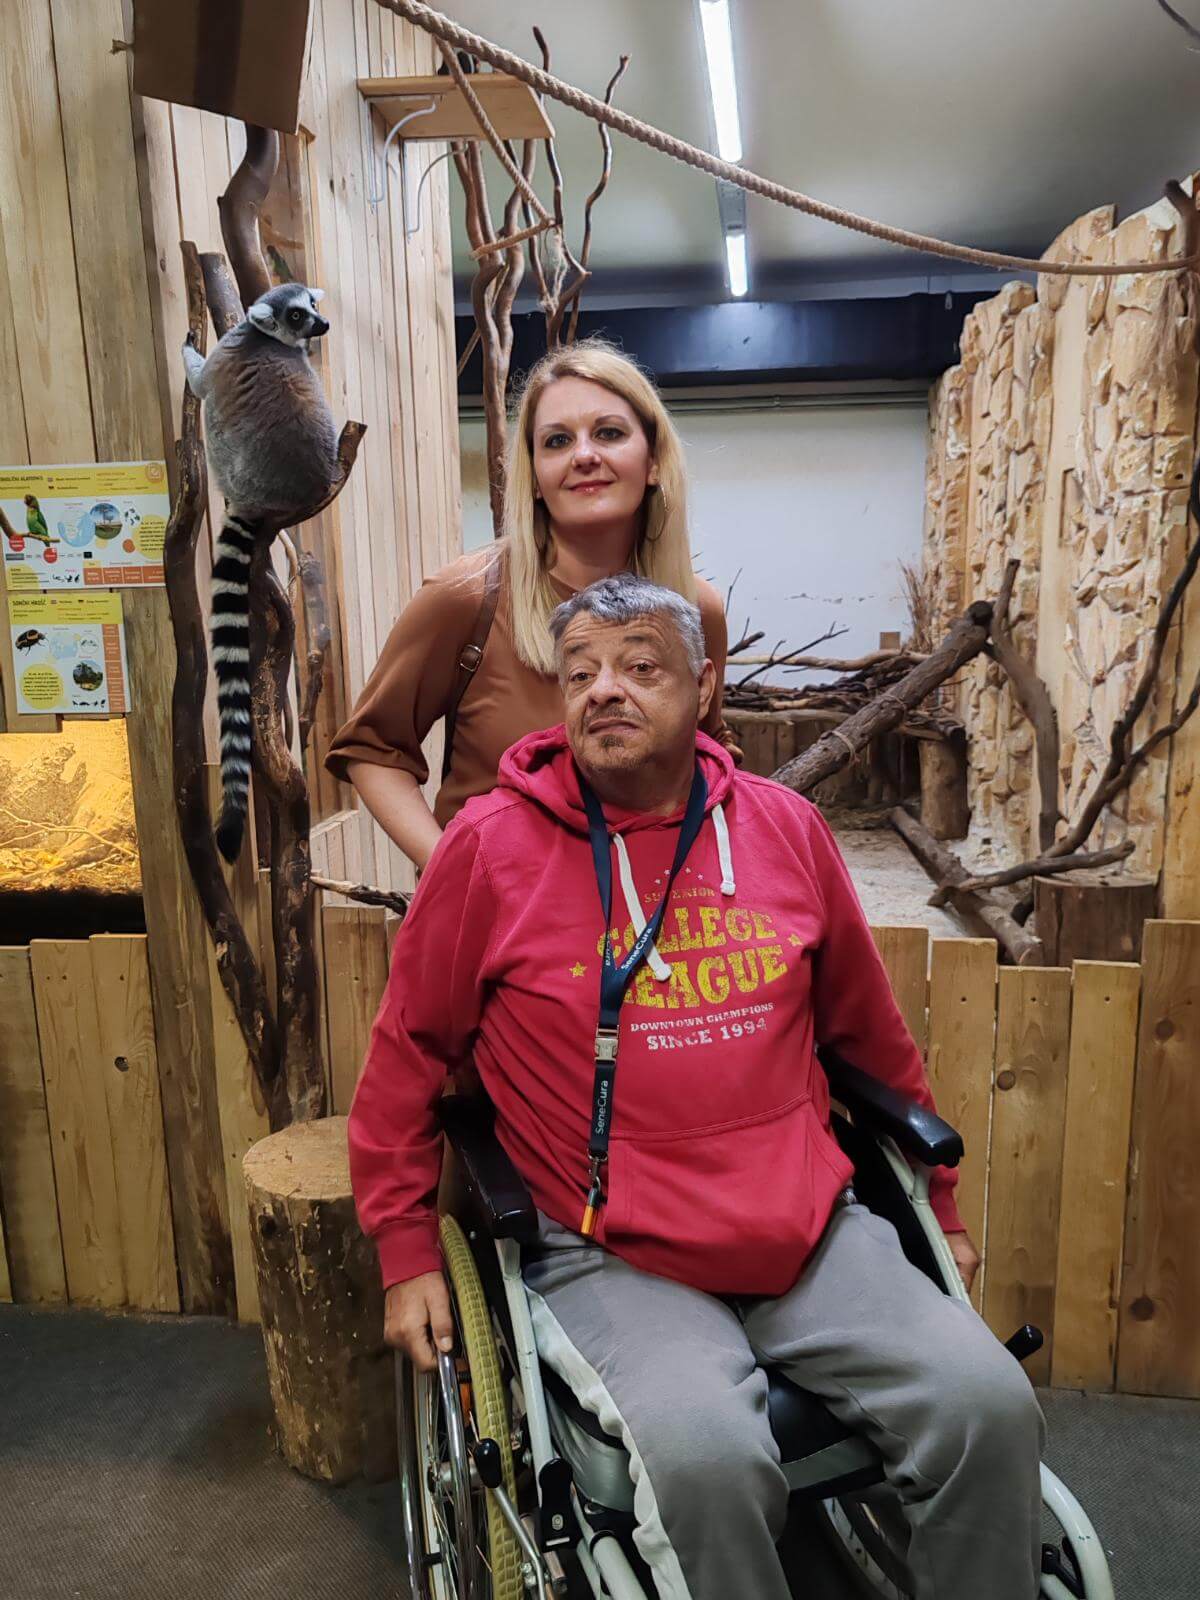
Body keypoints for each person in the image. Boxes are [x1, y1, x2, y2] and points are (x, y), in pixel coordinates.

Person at [348, 574, 1045, 1600]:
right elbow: (408, 1051)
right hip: (607, 1250)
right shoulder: (488, 850)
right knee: (707, 1462)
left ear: (704, 685)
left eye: (640, 666)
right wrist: (406, 1248)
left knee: (987, 1405)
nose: (604, 689)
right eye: (580, 673)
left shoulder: (783, 827)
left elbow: (870, 1035)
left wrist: (937, 1206)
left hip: (805, 1229)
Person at [325, 338, 737, 871]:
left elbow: (709, 750)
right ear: (536, 477)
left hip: (654, 905)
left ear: (653, 460)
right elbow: (372, 748)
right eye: (557, 441)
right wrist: (451, 872)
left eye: (609, 433)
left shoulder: (696, 609)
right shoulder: (466, 597)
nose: (584, 456)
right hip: (504, 910)